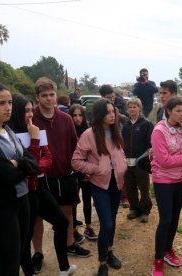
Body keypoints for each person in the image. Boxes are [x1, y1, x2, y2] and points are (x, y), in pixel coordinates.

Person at [8, 93, 76, 276]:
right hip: (24, 193)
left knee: (62, 222)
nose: (30, 114)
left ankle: (64, 267)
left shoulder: (35, 130)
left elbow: (48, 158)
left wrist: (34, 166)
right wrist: (35, 143)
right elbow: (30, 162)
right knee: (25, 236)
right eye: (26, 111)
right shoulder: (11, 135)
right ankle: (30, 271)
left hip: (39, 187)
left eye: (31, 110)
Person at [32, 77, 90, 272]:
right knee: (37, 217)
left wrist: (77, 168)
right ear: (37, 97)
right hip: (41, 177)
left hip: (65, 174)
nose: (49, 99)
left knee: (68, 212)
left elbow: (75, 145)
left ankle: (70, 243)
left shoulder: (65, 118)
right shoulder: (30, 118)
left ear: (56, 95)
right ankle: (38, 252)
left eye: (52, 94)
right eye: (44, 95)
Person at [0, 82, 38, 276]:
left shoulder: (8, 131)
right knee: (7, 263)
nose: (8, 107)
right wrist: (21, 164)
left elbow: (33, 163)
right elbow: (6, 174)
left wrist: (18, 163)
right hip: (0, 206)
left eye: (9, 102)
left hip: (21, 199)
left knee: (17, 256)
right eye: (1, 103)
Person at [72, 99, 127, 276]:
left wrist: (123, 164)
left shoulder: (115, 130)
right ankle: (102, 262)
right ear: (99, 115)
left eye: (114, 112)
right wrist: (95, 169)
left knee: (112, 222)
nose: (113, 115)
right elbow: (76, 161)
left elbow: (119, 153)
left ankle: (110, 252)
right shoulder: (89, 134)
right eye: (108, 112)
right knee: (107, 223)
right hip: (100, 184)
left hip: (116, 183)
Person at [150, 97, 182, 276]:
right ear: (168, 111)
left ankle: (168, 249)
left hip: (179, 180)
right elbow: (164, 161)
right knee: (165, 220)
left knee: (175, 219)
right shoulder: (159, 131)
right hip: (163, 180)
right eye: (178, 111)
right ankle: (157, 260)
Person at [121, 98, 154, 223]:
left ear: (140, 109)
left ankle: (145, 210)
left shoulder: (146, 124)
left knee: (143, 187)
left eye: (135, 107)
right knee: (130, 186)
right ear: (127, 109)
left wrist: (145, 158)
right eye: (130, 107)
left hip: (141, 162)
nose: (132, 109)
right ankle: (134, 208)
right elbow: (122, 142)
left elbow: (151, 144)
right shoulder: (126, 125)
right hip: (127, 161)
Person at [69, 104, 98, 240]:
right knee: (73, 201)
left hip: (86, 170)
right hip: (73, 171)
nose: (77, 118)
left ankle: (88, 226)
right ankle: (73, 229)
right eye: (74, 115)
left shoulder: (88, 130)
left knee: (87, 198)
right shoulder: (68, 130)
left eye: (80, 115)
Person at [99, 84, 130, 208]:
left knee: (121, 168)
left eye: (113, 97)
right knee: (105, 167)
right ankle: (102, 195)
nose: (112, 99)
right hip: (103, 142)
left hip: (118, 141)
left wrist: (118, 115)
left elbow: (127, 122)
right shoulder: (99, 108)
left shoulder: (117, 106)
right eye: (108, 97)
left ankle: (124, 197)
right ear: (102, 97)